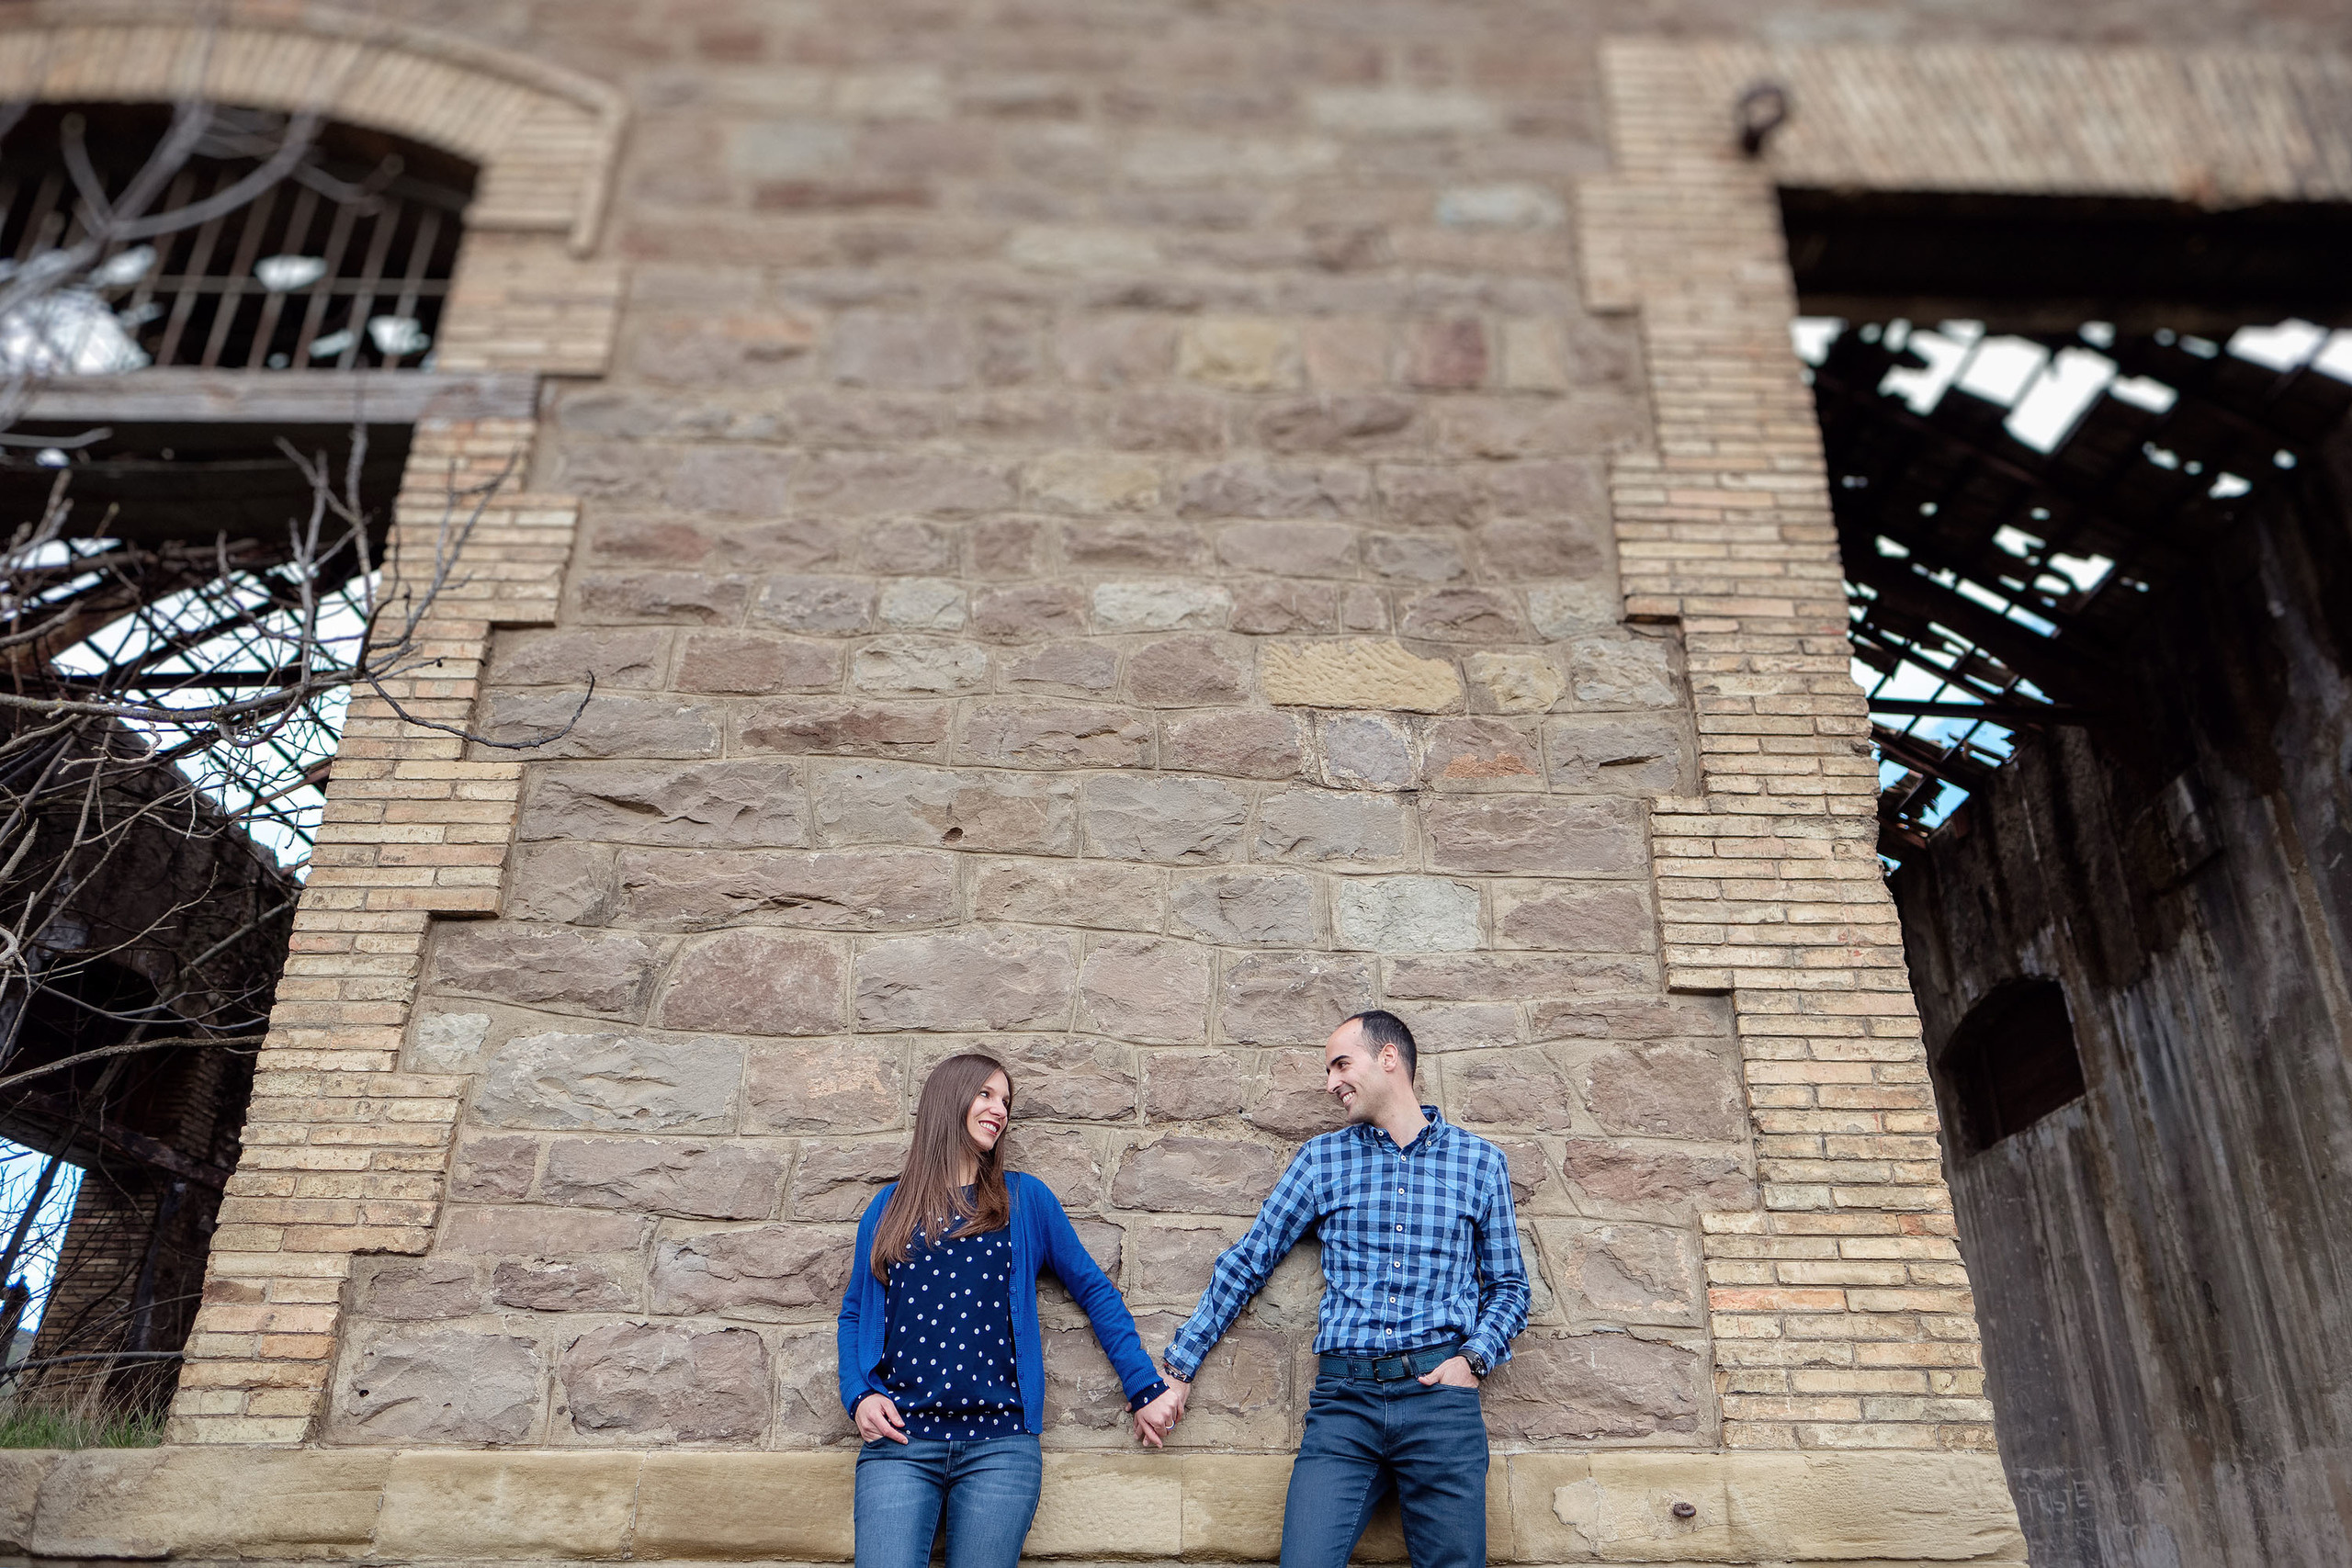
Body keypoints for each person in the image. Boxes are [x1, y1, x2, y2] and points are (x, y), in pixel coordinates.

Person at [1146, 1010, 1530, 1568]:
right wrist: (1180, 1368)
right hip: (1345, 1405)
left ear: (1389, 1058)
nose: (1331, 1083)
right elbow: (1250, 1260)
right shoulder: (1321, 1160)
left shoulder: (1480, 1163)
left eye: (1341, 1065)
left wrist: (1472, 1361)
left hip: (1441, 1403)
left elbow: (1510, 1287)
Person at [838, 1052, 1185, 1568]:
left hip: (1000, 1447)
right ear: (949, 1099)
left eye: (1005, 1100)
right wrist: (859, 1394)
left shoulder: (1024, 1200)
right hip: (900, 1441)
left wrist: (1144, 1388)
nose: (999, 1110)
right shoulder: (888, 1207)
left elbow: (1095, 1291)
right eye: (986, 1094)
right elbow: (854, 1312)